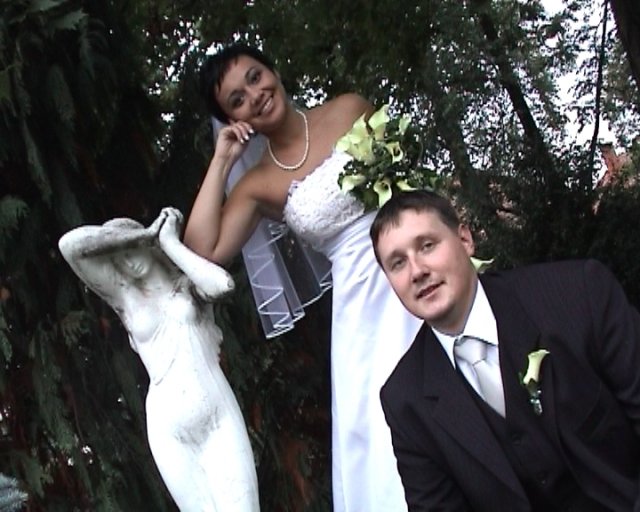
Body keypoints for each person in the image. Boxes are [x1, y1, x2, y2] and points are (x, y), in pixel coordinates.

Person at [184, 43, 422, 511]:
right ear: (233, 119)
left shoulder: (349, 109)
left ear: (272, 69)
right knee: (386, 435)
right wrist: (222, 160)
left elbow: (411, 184)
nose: (254, 95)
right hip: (361, 316)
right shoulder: (258, 185)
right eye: (236, 99)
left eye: (255, 76)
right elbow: (201, 251)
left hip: (415, 264)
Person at [370, 189, 640, 511]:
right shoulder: (405, 399)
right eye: (398, 263)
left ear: (465, 240)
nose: (417, 271)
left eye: (427, 245)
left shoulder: (579, 294)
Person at [58, 207, 259, 512]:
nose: (127, 260)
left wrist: (168, 243)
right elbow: (69, 246)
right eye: (119, 256)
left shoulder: (188, 285)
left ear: (150, 247)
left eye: (133, 249)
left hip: (216, 414)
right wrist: (140, 235)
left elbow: (222, 285)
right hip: (168, 425)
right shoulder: (126, 300)